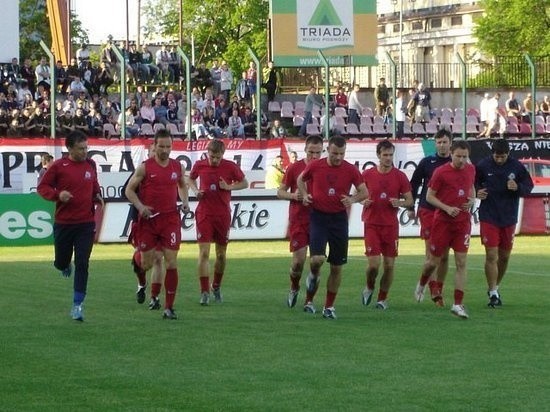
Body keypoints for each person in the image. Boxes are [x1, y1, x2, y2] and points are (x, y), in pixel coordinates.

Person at [296, 136, 368, 319]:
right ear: (328, 150)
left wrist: (352, 199)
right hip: (318, 217)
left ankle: (329, 306)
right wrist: (305, 195)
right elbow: (300, 180)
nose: (338, 157)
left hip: (339, 220)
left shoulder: (350, 170)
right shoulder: (315, 166)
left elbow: (364, 192)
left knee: (336, 266)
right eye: (335, 153)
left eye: (342, 154)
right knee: (317, 260)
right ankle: (310, 295)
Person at [37, 131, 104, 321]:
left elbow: (94, 185)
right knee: (61, 262)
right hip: (64, 223)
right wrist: (58, 195)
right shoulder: (58, 166)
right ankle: (64, 264)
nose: (85, 152)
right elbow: (43, 188)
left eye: (86, 148)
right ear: (70, 149)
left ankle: (77, 305)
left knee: (83, 262)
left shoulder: (91, 164)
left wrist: (97, 195)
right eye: (81, 148)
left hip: (86, 223)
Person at [124, 129, 189, 320]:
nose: (165, 150)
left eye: (168, 146)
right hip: (149, 220)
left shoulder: (178, 167)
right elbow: (129, 190)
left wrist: (184, 202)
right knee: (146, 262)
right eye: (161, 146)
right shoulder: (145, 167)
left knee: (171, 260)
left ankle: (169, 307)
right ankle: (141, 276)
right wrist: (140, 206)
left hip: (170, 220)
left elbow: (182, 185)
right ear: (154, 146)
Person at [416, 140, 476, 319]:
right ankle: (422, 282)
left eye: (465, 157)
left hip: (462, 223)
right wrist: (446, 208)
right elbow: (429, 196)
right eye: (458, 156)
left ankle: (457, 304)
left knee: (461, 262)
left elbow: (471, 187)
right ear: (451, 153)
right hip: (442, 222)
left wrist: (472, 200)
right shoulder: (440, 172)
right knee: (433, 262)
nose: (462, 160)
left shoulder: (471, 169)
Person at [187, 140, 248, 305]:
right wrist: (195, 191)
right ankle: (204, 291)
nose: (214, 160)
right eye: (212, 156)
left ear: (223, 154)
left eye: (217, 157)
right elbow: (190, 179)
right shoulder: (199, 165)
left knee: (221, 254)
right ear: (207, 152)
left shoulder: (230, 166)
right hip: (204, 214)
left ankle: (216, 286)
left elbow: (244, 183)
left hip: (222, 215)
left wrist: (228, 187)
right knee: (204, 253)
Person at [475, 138, 533, 307]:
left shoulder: (517, 167)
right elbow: (474, 182)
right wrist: (478, 190)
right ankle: (493, 292)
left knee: (505, 257)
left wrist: (518, 188)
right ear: (492, 153)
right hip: (489, 215)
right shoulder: (483, 165)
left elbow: (528, 186)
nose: (499, 159)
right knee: (491, 255)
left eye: (502, 157)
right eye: (496, 156)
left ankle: (495, 286)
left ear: (508, 154)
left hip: (508, 217)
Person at [361, 140, 413, 310]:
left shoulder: (400, 176)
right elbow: (358, 195)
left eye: (391, 155)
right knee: (374, 264)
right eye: (385, 155)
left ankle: (382, 298)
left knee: (389, 265)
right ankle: (369, 286)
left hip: (391, 226)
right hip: (372, 224)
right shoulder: (367, 175)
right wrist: (363, 201)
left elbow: (410, 200)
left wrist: (399, 202)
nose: (388, 158)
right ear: (378, 155)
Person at [277, 135, 324, 307]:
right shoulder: (294, 168)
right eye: (311, 152)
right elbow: (280, 192)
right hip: (299, 219)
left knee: (317, 262)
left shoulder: (325, 168)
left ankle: (309, 301)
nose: (314, 156)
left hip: (320, 219)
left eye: (318, 153)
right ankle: (294, 287)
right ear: (305, 150)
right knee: (298, 262)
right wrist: (293, 195)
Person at [409, 129, 452, 305]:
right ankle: (434, 289)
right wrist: (411, 207)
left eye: (445, 142)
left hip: (447, 211)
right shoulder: (427, 162)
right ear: (435, 144)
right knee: (431, 251)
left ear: (451, 143)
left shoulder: (456, 162)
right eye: (439, 142)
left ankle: (438, 286)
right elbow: (414, 184)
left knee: (445, 255)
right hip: (427, 210)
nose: (442, 145)